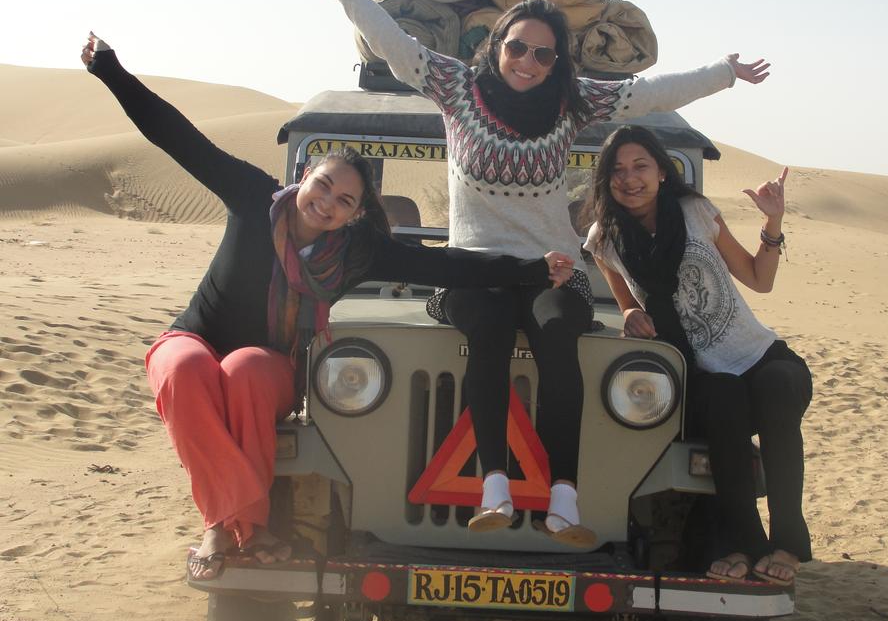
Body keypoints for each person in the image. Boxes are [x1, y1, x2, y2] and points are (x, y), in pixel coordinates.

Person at [273, 0, 770, 548]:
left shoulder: (571, 103)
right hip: (472, 269)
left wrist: (724, 74)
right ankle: (494, 486)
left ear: (557, 61)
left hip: (550, 268)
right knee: (485, 328)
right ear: (498, 44)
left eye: (543, 54)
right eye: (517, 47)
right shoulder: (455, 88)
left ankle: (563, 496)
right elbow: (389, 40)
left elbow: (647, 94)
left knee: (559, 334)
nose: (528, 62)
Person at [80, 34, 575, 580]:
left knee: (244, 370)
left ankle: (232, 524)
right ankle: (231, 524)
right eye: (323, 186)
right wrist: (110, 71)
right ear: (302, 177)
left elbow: (447, 266)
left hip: (270, 360)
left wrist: (531, 271)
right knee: (184, 367)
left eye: (345, 201)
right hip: (195, 336)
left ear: (357, 213)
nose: (327, 203)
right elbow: (180, 139)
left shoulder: (356, 252)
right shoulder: (252, 198)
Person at [583, 125, 811, 586]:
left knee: (777, 387)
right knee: (722, 400)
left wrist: (773, 223)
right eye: (618, 170)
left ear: (662, 172)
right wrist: (630, 313)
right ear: (606, 180)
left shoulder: (696, 212)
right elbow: (624, 300)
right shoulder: (604, 238)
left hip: (760, 357)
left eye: (641, 166)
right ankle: (745, 544)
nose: (630, 179)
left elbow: (759, 279)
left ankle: (788, 542)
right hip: (699, 373)